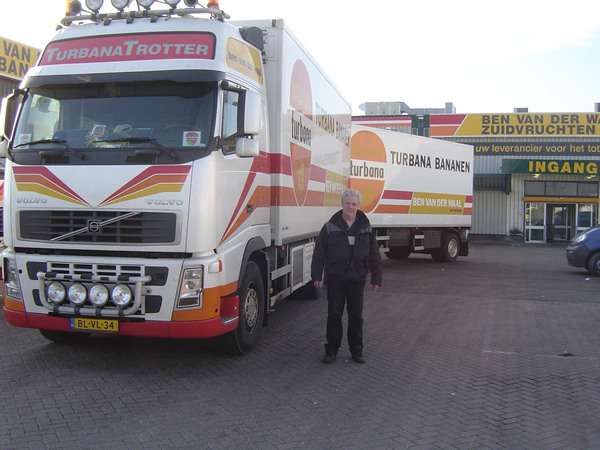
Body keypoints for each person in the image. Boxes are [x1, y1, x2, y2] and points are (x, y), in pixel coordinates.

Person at [311, 189, 383, 364]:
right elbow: (319, 252)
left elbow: (374, 254)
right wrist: (316, 274)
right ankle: (331, 350)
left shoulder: (366, 227)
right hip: (336, 278)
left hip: (357, 279)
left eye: (354, 204)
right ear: (342, 204)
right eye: (348, 203)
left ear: (358, 206)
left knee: (356, 316)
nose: (350, 207)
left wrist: (376, 277)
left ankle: (356, 351)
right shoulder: (330, 226)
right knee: (334, 315)